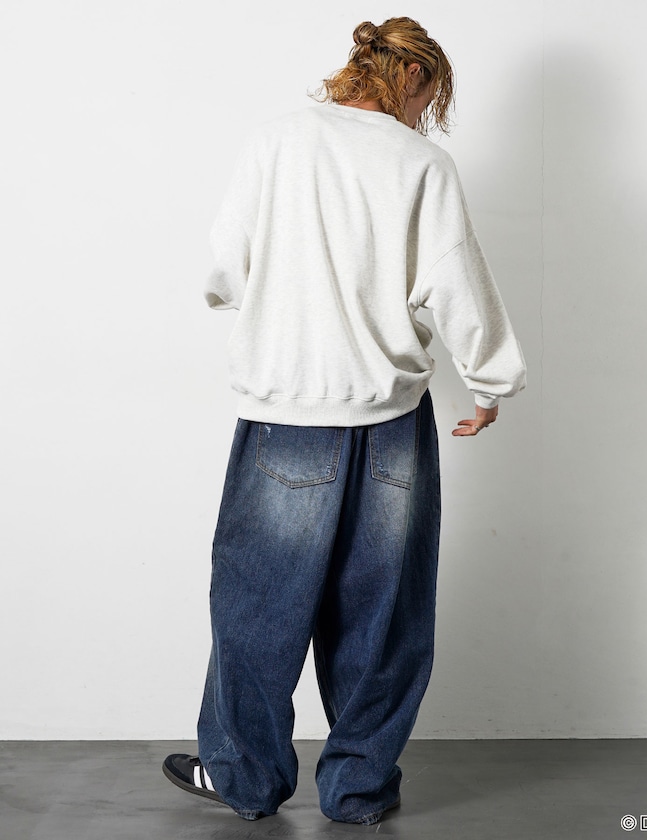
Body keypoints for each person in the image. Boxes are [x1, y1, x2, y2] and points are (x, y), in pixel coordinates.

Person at [163, 16, 526, 826]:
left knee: (260, 604)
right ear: (415, 79)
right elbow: (456, 282)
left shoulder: (277, 142)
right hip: (391, 420)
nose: (426, 116)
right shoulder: (421, 164)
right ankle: (358, 790)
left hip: (288, 411)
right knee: (384, 613)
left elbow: (225, 270)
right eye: (431, 99)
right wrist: (490, 382)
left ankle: (246, 777)